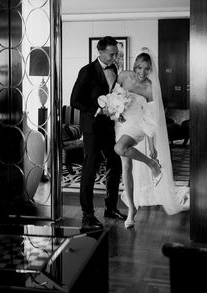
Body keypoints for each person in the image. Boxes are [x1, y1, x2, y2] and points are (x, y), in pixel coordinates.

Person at [113, 47, 189, 229]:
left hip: (138, 125)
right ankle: (132, 209)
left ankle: (152, 164)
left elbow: (151, 119)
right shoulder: (123, 76)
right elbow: (113, 97)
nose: (142, 72)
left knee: (119, 148)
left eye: (146, 69)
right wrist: (116, 111)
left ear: (150, 70)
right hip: (121, 123)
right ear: (134, 66)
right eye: (139, 67)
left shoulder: (150, 88)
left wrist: (152, 146)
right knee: (126, 166)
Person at [70, 36, 126, 231]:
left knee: (115, 163)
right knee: (90, 168)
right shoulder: (86, 71)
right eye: (112, 54)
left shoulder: (114, 69)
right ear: (100, 51)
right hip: (92, 127)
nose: (114, 58)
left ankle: (111, 208)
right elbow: (74, 100)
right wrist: (97, 110)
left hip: (109, 127)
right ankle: (87, 215)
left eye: (116, 54)